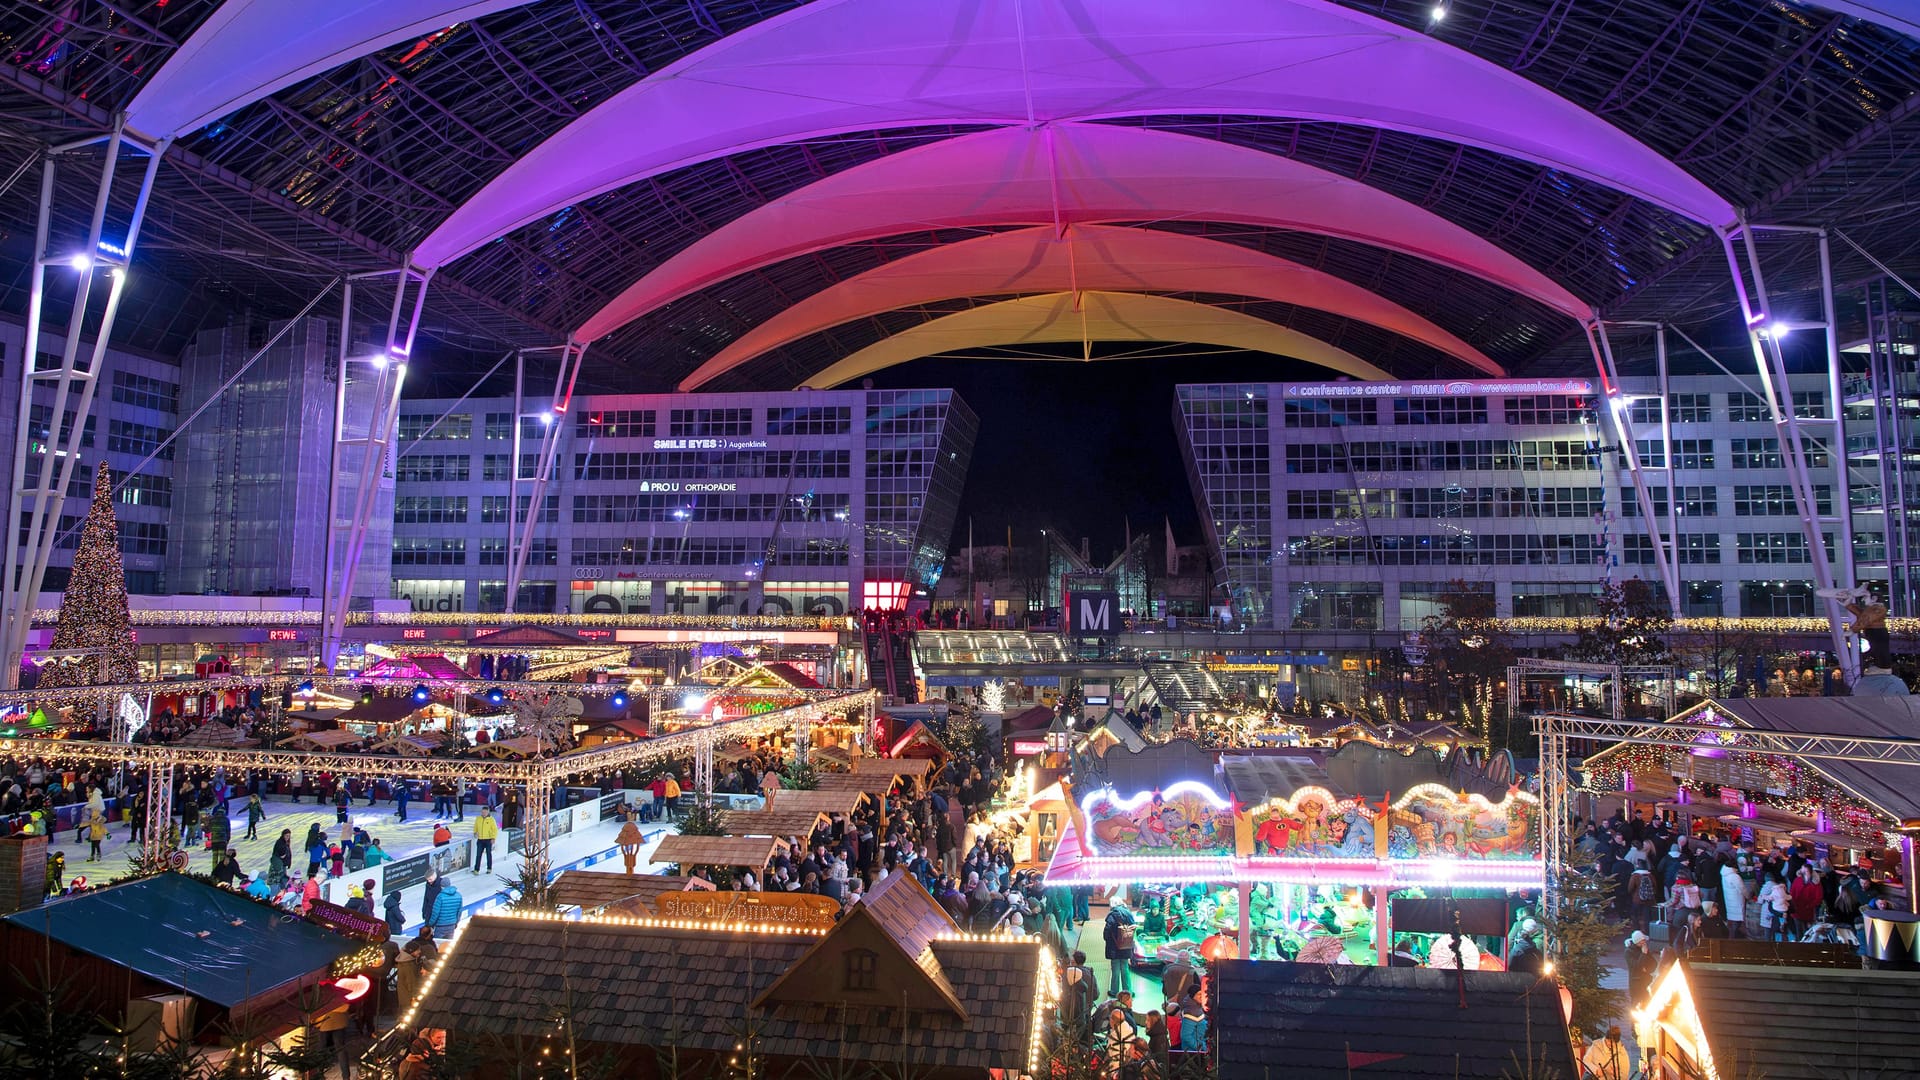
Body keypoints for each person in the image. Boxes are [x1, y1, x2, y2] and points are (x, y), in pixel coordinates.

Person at [1104, 898, 1137, 996]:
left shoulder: (1111, 916)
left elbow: (1106, 933)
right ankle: (1128, 991)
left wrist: (1109, 941)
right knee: (1125, 968)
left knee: (1115, 970)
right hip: (1126, 946)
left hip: (1114, 948)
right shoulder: (1128, 914)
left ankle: (1114, 991)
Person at [1624, 930, 1656, 1005]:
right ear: (1637, 942)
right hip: (1636, 983)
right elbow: (1637, 966)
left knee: (1648, 1003)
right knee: (1636, 1004)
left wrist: (1647, 970)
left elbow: (1654, 963)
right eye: (1642, 941)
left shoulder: (1644, 949)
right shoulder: (1628, 952)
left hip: (1646, 981)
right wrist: (1643, 954)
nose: (1644, 942)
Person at [472, 807, 499, 873]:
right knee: (478, 855)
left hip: (488, 840)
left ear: (488, 812)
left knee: (488, 854)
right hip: (480, 840)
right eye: (482, 812)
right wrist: (475, 832)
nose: (483, 813)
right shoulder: (478, 819)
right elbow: (475, 827)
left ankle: (489, 868)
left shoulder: (491, 819)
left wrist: (493, 838)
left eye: (485, 812)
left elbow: (495, 829)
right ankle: (476, 869)